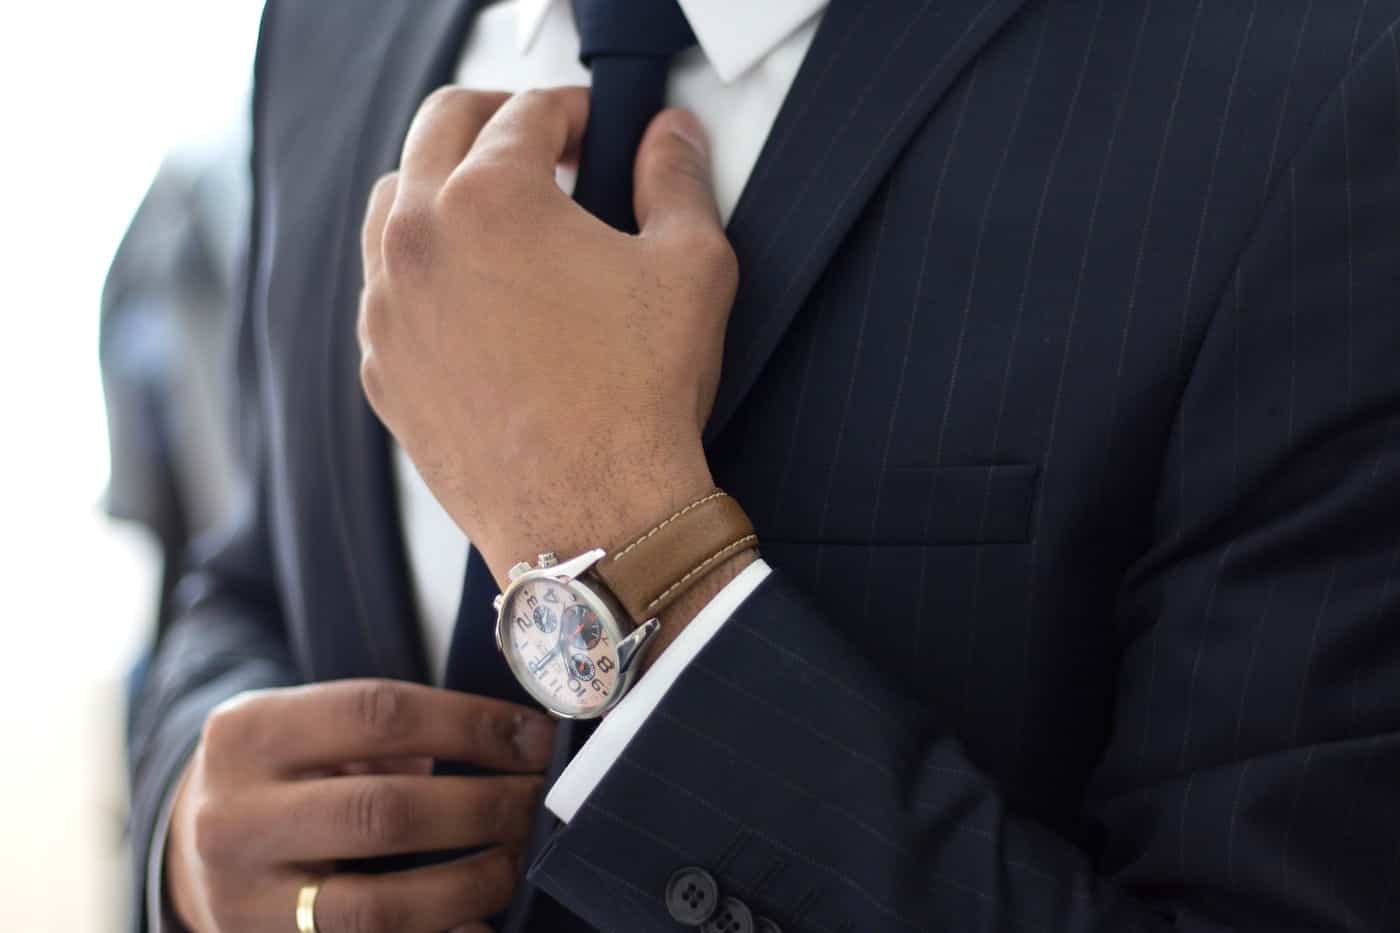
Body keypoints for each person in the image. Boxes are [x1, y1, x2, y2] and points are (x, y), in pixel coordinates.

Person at [126, 0, 1400, 930]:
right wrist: (191, 830)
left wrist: (625, 548)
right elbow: (249, 572)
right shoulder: (322, 26)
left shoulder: (1318, 87)